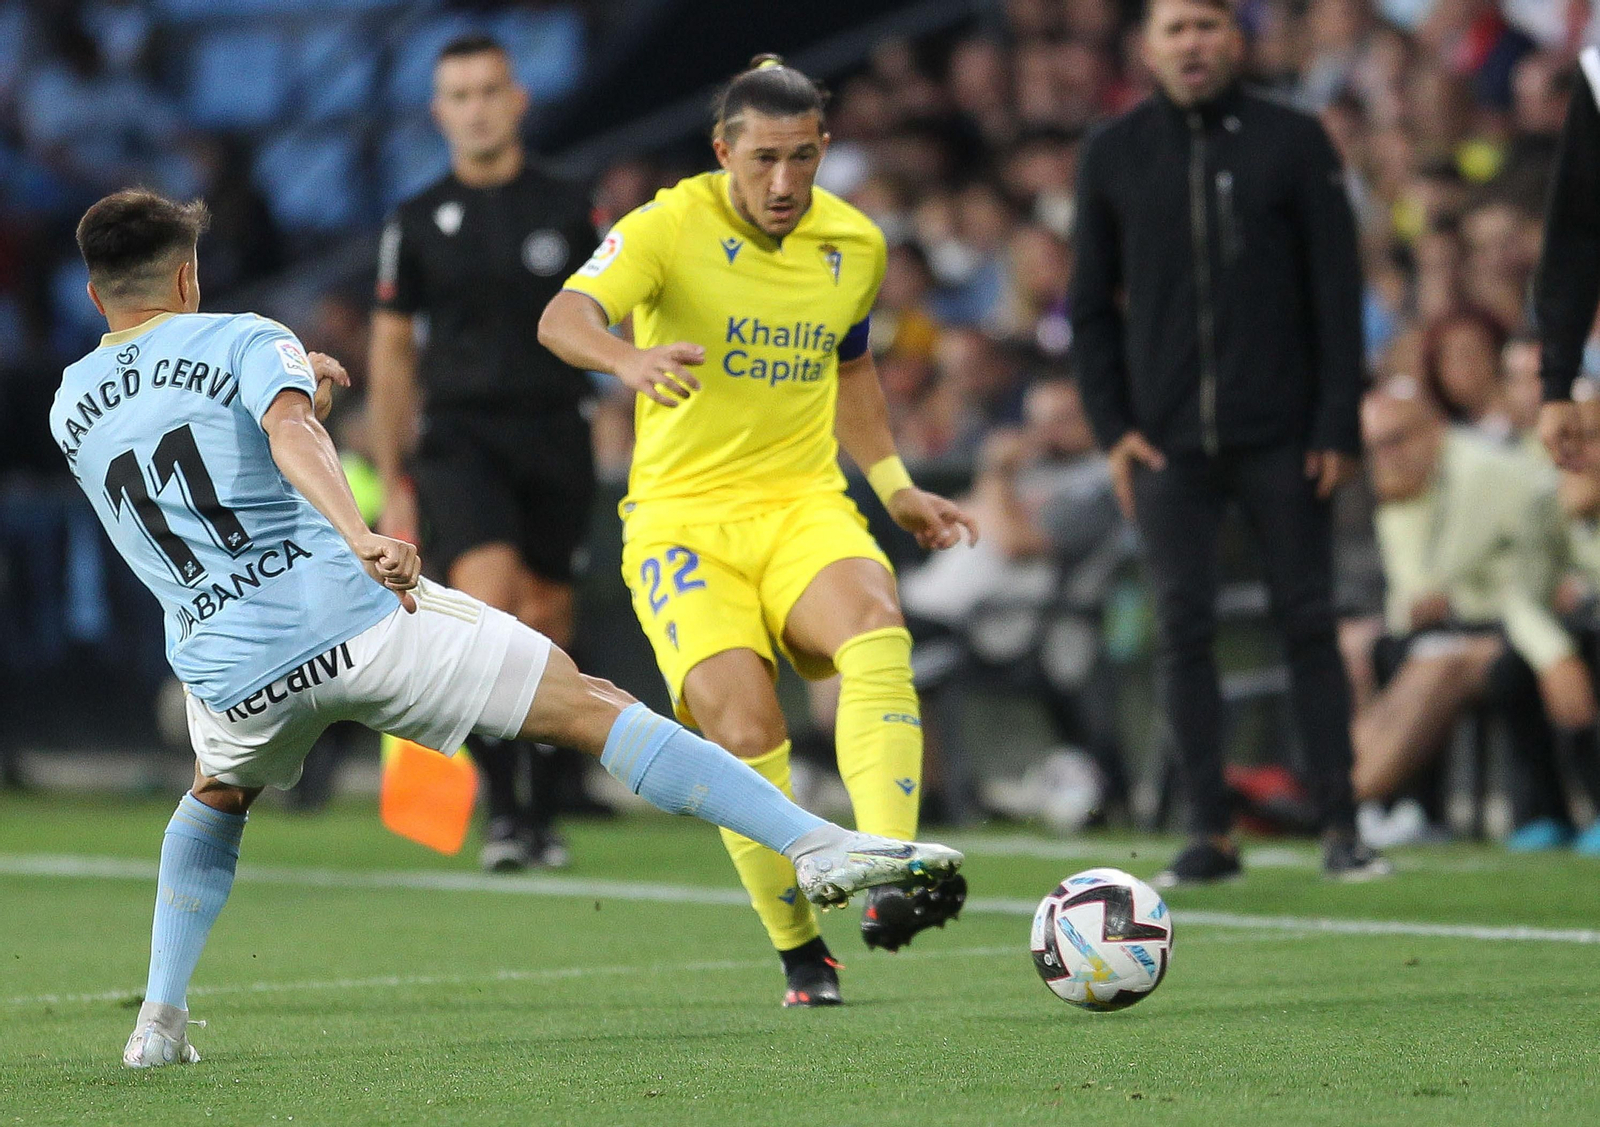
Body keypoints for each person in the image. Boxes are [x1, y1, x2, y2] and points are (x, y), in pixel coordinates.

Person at [52, 189, 962, 1068]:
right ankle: (814, 844)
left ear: (96, 296)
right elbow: (290, 435)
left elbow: (195, 458)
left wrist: (297, 403)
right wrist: (359, 526)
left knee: (216, 797)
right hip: (358, 621)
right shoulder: (247, 336)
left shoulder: (68, 405)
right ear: (188, 276)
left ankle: (159, 1019)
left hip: (229, 665)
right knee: (593, 705)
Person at [538, 55, 977, 1007]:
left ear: (825, 149)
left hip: (802, 502)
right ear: (723, 152)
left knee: (876, 626)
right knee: (744, 728)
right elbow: (562, 317)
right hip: (683, 522)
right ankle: (801, 952)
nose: (783, 182)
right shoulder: (665, 224)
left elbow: (851, 369)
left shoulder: (854, 242)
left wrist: (896, 485)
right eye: (764, 159)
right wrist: (625, 358)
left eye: (802, 158)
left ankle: (888, 868)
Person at [1069, 0, 1388, 884]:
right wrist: (1114, 429)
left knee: (1309, 623)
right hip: (1167, 443)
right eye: (1175, 28)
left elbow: (1337, 289)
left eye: (1207, 25)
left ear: (1236, 39)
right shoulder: (1113, 152)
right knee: (1182, 629)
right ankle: (1209, 830)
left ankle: (1341, 823)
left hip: (1284, 432)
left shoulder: (1295, 139)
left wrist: (1336, 421)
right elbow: (1088, 307)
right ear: (1147, 47)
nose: (1193, 43)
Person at [369, 34, 600, 872]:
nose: (476, 109)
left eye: (488, 91)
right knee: (489, 610)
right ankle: (504, 811)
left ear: (518, 100)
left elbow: (615, 313)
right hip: (461, 438)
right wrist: (394, 475)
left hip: (557, 429)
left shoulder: (572, 205)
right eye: (459, 96)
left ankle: (542, 809)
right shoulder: (415, 219)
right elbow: (392, 353)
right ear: (439, 113)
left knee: (548, 618)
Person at [1355, 381, 1592, 842]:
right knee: (1384, 649)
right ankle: (1365, 799)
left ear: (1435, 427)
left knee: (1436, 663)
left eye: (1396, 440)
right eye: (1375, 447)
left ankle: (1350, 800)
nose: (1386, 457)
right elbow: (1413, 596)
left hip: (1526, 621)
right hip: (1499, 620)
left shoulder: (1486, 472)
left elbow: (1459, 576)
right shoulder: (1407, 486)